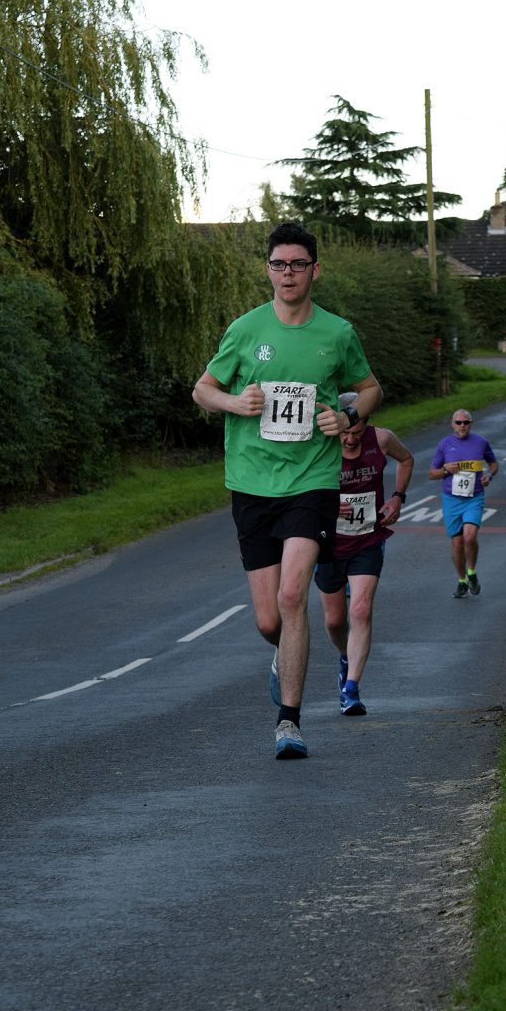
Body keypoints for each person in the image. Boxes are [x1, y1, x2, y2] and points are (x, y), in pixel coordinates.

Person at [192, 223, 383, 760]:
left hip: (312, 480)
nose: (288, 274)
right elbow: (203, 389)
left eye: (298, 264)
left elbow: (370, 388)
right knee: (269, 619)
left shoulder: (337, 333)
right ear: (268, 270)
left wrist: (347, 416)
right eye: (279, 264)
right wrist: (235, 403)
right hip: (252, 482)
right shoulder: (245, 330)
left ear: (315, 270)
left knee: (294, 595)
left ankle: (289, 723)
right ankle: (284, 654)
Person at [314, 392, 413, 716]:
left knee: (360, 610)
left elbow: (406, 459)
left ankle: (351, 689)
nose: (350, 439)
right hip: (329, 543)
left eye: (356, 432)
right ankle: (346, 656)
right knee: (334, 621)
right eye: (345, 433)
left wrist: (397, 497)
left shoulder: (382, 439)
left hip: (368, 539)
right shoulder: (320, 445)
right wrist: (325, 507)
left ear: (366, 423)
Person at [429, 409, 498, 599]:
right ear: (452, 424)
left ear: (471, 424)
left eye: (466, 422)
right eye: (458, 422)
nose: (462, 426)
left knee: (470, 535)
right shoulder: (444, 444)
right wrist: (445, 470)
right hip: (451, 499)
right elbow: (432, 473)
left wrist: (489, 475)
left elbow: (493, 463)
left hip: (474, 497)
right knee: (457, 543)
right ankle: (462, 581)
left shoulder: (480, 442)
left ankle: (472, 572)